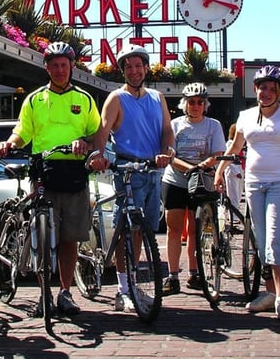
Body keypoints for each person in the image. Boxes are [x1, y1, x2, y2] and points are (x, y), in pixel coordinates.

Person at [0, 41, 101, 317]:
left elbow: (96, 135)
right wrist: (9, 143)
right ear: (46, 68)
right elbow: (22, 132)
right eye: (54, 65)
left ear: (72, 66)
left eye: (64, 65)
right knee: (42, 238)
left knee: (70, 239)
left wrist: (85, 143)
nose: (59, 69)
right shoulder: (34, 100)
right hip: (44, 172)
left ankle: (65, 292)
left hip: (75, 175)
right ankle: (44, 293)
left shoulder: (85, 99)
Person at [214, 65, 280, 321]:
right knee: (260, 240)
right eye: (262, 88)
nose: (266, 93)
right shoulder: (245, 116)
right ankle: (269, 294)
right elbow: (235, 147)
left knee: (274, 238)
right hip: (254, 183)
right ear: (255, 89)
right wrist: (220, 170)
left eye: (272, 89)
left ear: (279, 92)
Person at [89, 44, 174, 313]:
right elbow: (102, 132)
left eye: (139, 66)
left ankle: (132, 283)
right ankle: (123, 290)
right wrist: (97, 155)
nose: (134, 71)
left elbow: (167, 130)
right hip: (126, 169)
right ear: (123, 70)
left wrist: (167, 151)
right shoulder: (116, 98)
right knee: (126, 229)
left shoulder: (157, 97)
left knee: (143, 231)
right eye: (128, 66)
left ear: (146, 68)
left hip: (152, 170)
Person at [160, 83, 226, 296]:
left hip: (201, 182)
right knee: (174, 228)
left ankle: (194, 272)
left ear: (205, 104)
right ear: (185, 104)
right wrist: (190, 168)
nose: (196, 106)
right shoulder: (175, 124)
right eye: (191, 102)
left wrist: (201, 168)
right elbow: (170, 154)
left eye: (200, 102)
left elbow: (217, 153)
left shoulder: (213, 125)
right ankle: (172, 275)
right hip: (176, 180)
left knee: (196, 229)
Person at [224, 123, 245, 211]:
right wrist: (236, 172)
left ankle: (236, 212)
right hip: (232, 169)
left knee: (239, 193)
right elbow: (229, 158)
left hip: (241, 168)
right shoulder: (230, 143)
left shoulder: (243, 144)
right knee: (233, 194)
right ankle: (233, 215)